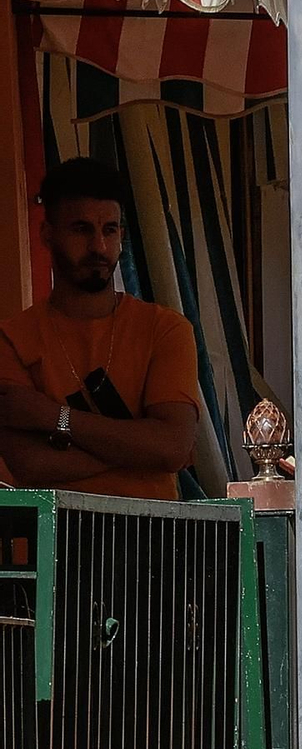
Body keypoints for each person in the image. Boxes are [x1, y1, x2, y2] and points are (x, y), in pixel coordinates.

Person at [0, 158, 199, 498]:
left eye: (109, 230)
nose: (98, 247)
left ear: (121, 235)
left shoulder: (165, 329)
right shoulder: (13, 338)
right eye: (81, 229)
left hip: (157, 536)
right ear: (48, 234)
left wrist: (54, 417)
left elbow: (171, 449)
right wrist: (140, 448)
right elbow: (30, 465)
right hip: (60, 537)